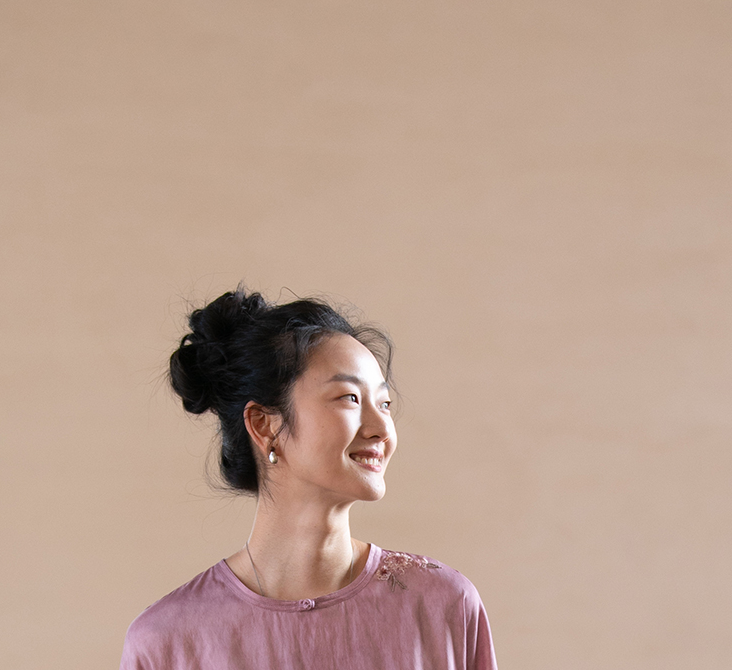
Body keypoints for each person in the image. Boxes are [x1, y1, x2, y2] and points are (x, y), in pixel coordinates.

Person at [119, 286, 498, 670]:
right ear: (265, 425)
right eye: (350, 398)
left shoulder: (442, 605)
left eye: (384, 403)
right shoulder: (167, 642)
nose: (382, 428)